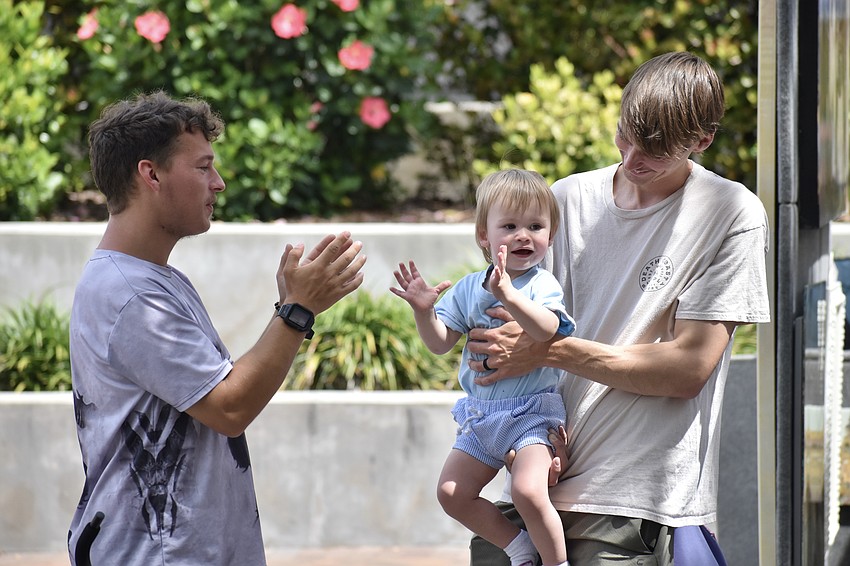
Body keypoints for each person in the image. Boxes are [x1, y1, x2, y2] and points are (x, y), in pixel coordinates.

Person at [466, 52, 771, 565]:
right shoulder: (564, 200)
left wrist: (550, 352)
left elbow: (688, 368)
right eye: (626, 136)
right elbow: (498, 347)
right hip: (536, 486)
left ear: (702, 141)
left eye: (655, 152)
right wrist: (532, 435)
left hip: (632, 506)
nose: (631, 160)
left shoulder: (731, 213)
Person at [66, 91, 366, 565]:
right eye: (203, 167)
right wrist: (297, 312)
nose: (219, 183)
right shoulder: (130, 294)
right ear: (152, 174)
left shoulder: (152, 281)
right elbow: (230, 406)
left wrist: (292, 305)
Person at [391, 169, 576, 566]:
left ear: (551, 233)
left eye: (535, 226)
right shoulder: (468, 287)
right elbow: (440, 343)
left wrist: (508, 293)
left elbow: (545, 330)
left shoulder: (542, 285)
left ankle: (557, 562)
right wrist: (424, 312)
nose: (524, 235)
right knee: (452, 492)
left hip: (530, 414)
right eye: (509, 226)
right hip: (481, 417)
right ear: (484, 237)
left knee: (528, 490)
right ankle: (518, 547)